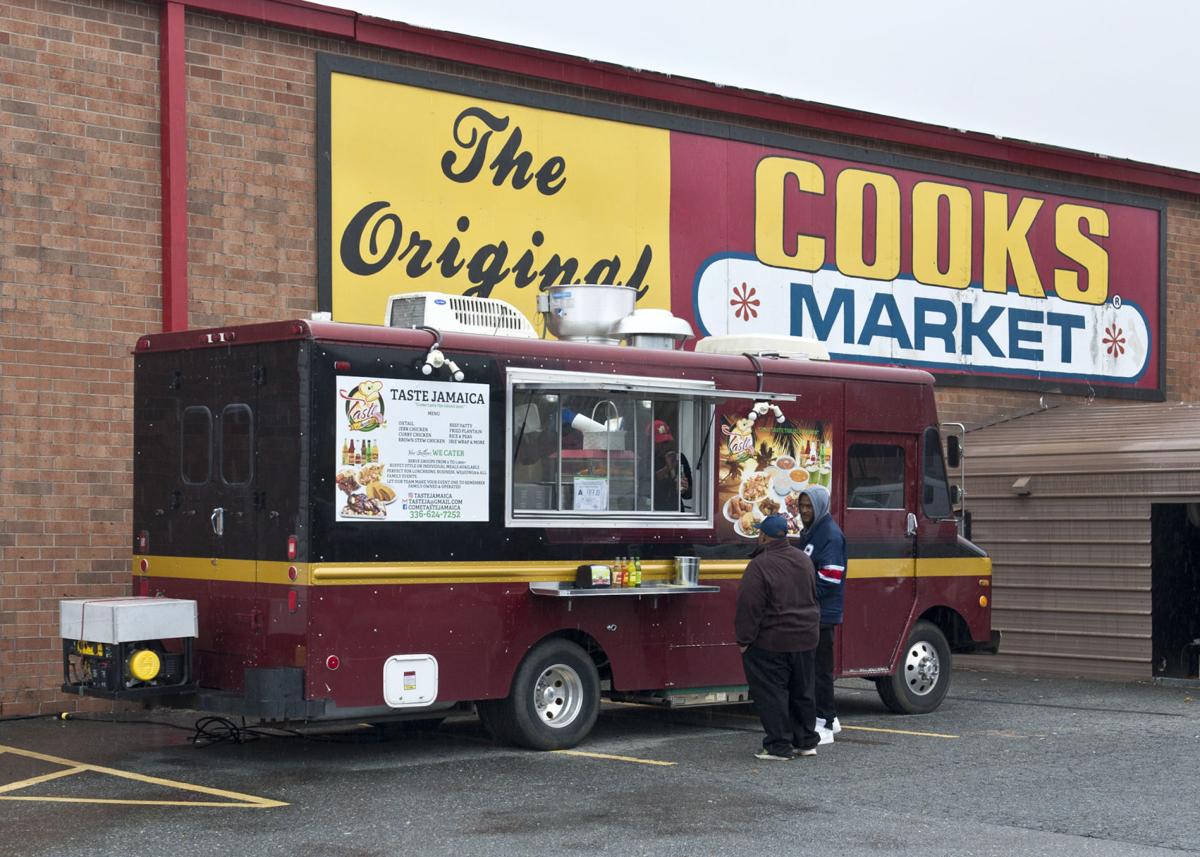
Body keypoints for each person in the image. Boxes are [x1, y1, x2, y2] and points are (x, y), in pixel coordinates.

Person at [734, 514, 821, 760]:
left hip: (773, 640)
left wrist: (744, 640)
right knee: (802, 690)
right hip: (806, 636)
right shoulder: (804, 560)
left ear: (762, 536)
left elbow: (749, 606)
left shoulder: (760, 565)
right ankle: (805, 742)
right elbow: (814, 595)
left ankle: (778, 746)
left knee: (773, 693)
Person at [796, 484, 847, 745]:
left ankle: (824, 721)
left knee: (820, 671)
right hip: (815, 611)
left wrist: (800, 593)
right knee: (815, 669)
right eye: (802, 506)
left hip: (823, 613)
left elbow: (830, 576)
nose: (805, 511)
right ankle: (831, 717)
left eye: (809, 507)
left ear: (820, 507)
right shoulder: (811, 531)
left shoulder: (829, 535)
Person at [650, 419, 692, 511]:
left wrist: (684, 489)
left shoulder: (680, 458)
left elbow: (689, 495)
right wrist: (667, 469)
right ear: (651, 442)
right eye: (659, 443)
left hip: (676, 512)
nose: (664, 446)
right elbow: (644, 488)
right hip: (653, 513)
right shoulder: (648, 460)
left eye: (666, 442)